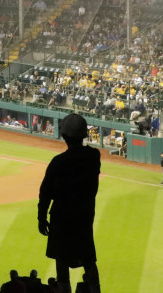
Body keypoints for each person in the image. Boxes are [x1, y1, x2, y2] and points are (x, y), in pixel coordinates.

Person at [38, 113, 101, 293]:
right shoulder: (93, 156)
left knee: (61, 260)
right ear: (84, 134)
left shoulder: (58, 162)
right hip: (84, 217)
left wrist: (41, 217)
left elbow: (45, 193)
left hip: (61, 217)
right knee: (89, 260)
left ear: (64, 135)